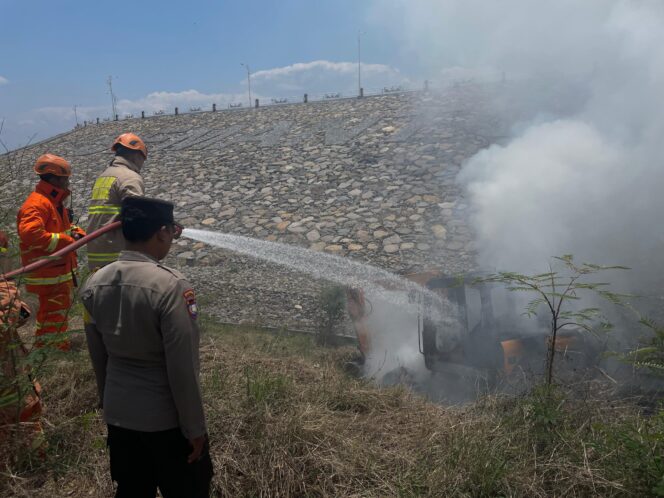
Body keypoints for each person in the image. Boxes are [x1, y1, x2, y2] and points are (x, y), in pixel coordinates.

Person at [80, 196, 212, 498]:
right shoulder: (172, 286)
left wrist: (108, 402)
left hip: (119, 417)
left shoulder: (92, 284)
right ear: (163, 232)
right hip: (164, 422)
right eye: (170, 234)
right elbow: (183, 367)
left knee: (131, 490)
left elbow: (97, 357)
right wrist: (194, 428)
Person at [17, 154, 86, 350]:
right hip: (48, 273)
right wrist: (67, 241)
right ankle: (53, 352)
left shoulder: (52, 201)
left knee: (54, 314)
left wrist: (76, 233)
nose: (68, 182)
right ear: (55, 179)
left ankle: (50, 348)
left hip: (56, 271)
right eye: (65, 178)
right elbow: (31, 234)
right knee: (52, 316)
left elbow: (60, 228)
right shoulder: (38, 203)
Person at [86, 132, 147, 271]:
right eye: (143, 159)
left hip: (97, 256)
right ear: (137, 155)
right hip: (118, 259)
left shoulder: (104, 176)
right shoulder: (130, 177)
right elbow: (138, 218)